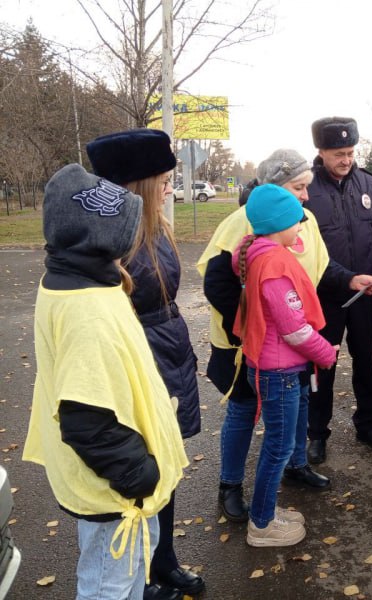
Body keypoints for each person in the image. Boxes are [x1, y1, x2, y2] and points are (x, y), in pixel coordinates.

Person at [22, 164, 188, 600]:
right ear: (103, 235)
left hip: (118, 491)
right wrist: (140, 475)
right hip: (114, 492)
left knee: (129, 576)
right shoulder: (86, 309)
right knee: (107, 588)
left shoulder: (80, 279)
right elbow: (86, 418)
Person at [197, 149, 372, 523]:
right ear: (274, 187)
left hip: (292, 342)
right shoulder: (244, 223)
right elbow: (218, 283)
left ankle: (297, 466)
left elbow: (320, 267)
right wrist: (254, 328)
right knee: (245, 409)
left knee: (297, 402)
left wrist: (349, 278)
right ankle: (230, 485)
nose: (306, 196)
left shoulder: (303, 220)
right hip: (248, 345)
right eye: (299, 187)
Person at [87, 129, 204, 600]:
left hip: (165, 350)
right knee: (142, 472)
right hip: (142, 359)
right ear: (137, 184)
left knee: (166, 467)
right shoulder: (109, 245)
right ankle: (143, 576)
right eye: (163, 180)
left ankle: (163, 561)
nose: (169, 189)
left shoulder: (154, 229)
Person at [232, 183, 337, 546]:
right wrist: (326, 352)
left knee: (278, 444)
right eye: (297, 222)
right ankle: (261, 524)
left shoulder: (256, 252)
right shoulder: (275, 263)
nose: (300, 228)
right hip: (279, 372)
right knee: (277, 447)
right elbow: (293, 328)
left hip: (269, 364)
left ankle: (267, 511)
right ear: (279, 224)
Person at [304, 117, 372, 464]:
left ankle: (367, 425)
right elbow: (302, 249)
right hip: (323, 297)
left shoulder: (368, 185)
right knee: (321, 365)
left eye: (350, 152)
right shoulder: (306, 189)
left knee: (365, 361)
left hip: (364, 295)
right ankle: (316, 433)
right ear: (321, 152)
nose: (346, 160)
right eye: (338, 153)